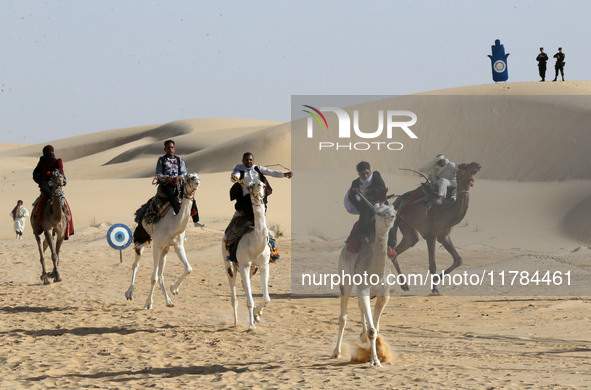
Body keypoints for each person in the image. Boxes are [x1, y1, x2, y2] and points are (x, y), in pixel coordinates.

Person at [230, 152, 292, 221]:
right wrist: (234, 177)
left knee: (262, 211)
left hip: (260, 195)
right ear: (243, 161)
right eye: (246, 160)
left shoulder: (257, 168)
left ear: (253, 160)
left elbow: (272, 172)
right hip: (247, 196)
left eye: (250, 160)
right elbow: (235, 176)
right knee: (249, 213)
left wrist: (284, 174)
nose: (248, 161)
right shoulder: (239, 170)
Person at [155, 139, 204, 227]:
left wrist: (179, 177)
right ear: (165, 149)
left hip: (179, 183)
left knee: (191, 196)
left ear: (174, 149)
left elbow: (183, 172)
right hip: (166, 184)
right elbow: (158, 174)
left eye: (172, 147)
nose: (170, 149)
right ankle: (178, 216)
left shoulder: (179, 160)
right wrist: (168, 179)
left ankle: (196, 220)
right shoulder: (161, 160)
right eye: (168, 147)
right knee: (171, 195)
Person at [345, 161, 387, 244]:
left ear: (370, 171)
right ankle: (362, 235)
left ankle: (391, 245)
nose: (365, 176)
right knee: (365, 213)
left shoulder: (376, 176)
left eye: (367, 173)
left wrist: (365, 191)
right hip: (366, 205)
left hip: (380, 202)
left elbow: (382, 189)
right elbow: (351, 196)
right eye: (362, 174)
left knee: (390, 216)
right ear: (359, 174)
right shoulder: (356, 183)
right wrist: (359, 207)